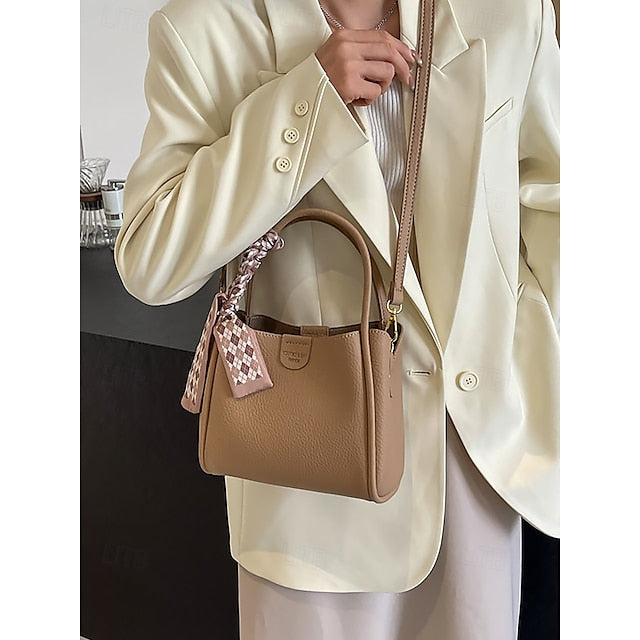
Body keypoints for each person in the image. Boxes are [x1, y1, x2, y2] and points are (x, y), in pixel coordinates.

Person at [114, 0, 559, 637]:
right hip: (310, 491)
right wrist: (307, 103)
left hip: (477, 456)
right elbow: (151, 260)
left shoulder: (508, 12)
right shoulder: (203, 29)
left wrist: (542, 359)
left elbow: (555, 200)